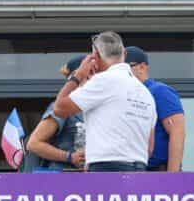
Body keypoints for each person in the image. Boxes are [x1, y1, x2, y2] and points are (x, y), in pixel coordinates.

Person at [54, 31, 156, 172]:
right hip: (139, 168)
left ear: (95, 56)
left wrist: (78, 75)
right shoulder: (145, 93)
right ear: (124, 54)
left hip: (106, 167)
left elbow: (59, 108)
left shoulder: (103, 81)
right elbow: (149, 148)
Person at [125, 46, 186, 172]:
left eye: (126, 68)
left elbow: (177, 132)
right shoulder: (126, 95)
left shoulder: (159, 91)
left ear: (142, 67)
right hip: (136, 170)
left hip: (158, 171)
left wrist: (172, 175)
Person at [24, 55, 87, 171]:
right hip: (64, 181)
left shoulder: (97, 108)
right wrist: (69, 157)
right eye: (91, 74)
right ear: (76, 76)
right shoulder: (61, 107)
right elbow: (33, 144)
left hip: (95, 182)